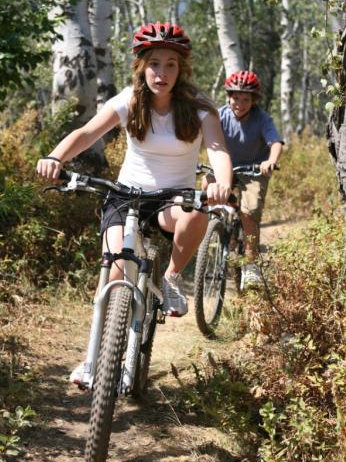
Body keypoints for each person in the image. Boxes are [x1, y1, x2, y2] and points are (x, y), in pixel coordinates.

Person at [36, 21, 232, 384]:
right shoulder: (129, 100)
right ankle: (92, 360)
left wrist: (221, 184)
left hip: (172, 199)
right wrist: (56, 157)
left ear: (181, 69)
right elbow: (87, 132)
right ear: (142, 66)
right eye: (155, 63)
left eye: (170, 64)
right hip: (126, 194)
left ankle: (172, 279)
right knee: (113, 271)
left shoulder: (199, 107)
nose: (162, 72)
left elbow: (218, 151)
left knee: (197, 213)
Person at [206, 70, 283, 289]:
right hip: (224, 169)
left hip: (253, 171)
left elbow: (275, 142)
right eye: (235, 97)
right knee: (206, 188)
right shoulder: (219, 115)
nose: (240, 103)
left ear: (254, 100)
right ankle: (213, 234)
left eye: (246, 99)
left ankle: (250, 265)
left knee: (249, 212)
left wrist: (270, 160)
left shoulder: (262, 119)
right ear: (228, 96)